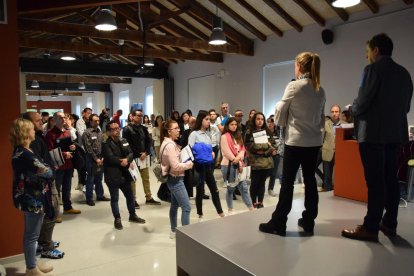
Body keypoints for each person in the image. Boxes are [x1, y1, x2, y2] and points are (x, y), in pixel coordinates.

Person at [342, 33, 413, 242]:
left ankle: (370, 227)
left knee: (375, 182)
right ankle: (390, 223)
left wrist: (351, 108)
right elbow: (406, 107)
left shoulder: (371, 70)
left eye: (367, 52)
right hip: (395, 135)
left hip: (373, 134)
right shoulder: (404, 73)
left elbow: (362, 102)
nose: (367, 57)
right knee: (391, 179)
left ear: (376, 50)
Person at [259, 51, 325, 236]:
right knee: (310, 181)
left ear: (300, 66)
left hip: (295, 142)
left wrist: (282, 122)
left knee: (287, 183)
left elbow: (280, 109)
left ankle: (279, 222)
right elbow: (321, 118)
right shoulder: (320, 89)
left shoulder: (294, 86)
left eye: (295, 65)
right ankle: (309, 220)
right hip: (314, 143)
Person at [10, 118, 55, 275]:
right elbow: (47, 172)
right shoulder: (25, 154)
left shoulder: (24, 151)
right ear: (25, 133)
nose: (34, 131)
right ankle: (31, 268)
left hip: (32, 196)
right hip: (32, 198)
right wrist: (50, 168)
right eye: (31, 129)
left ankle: (33, 263)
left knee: (33, 234)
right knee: (32, 235)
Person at [22, 112, 64, 259]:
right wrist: (50, 171)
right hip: (42, 185)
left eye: (41, 120)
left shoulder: (38, 137)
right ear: (27, 124)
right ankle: (46, 246)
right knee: (52, 212)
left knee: (51, 212)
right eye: (38, 121)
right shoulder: (28, 145)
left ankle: (44, 241)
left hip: (46, 182)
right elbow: (39, 167)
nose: (42, 123)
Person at [102, 121, 146, 230]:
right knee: (115, 199)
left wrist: (127, 159)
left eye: (118, 128)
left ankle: (132, 215)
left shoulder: (124, 140)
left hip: (125, 175)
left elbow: (131, 153)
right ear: (108, 132)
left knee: (130, 196)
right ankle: (117, 219)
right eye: (114, 129)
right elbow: (109, 157)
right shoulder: (105, 144)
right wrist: (121, 161)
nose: (117, 130)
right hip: (113, 176)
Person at [160, 120, 194, 239]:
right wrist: (189, 165)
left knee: (174, 206)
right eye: (176, 128)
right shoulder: (170, 146)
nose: (179, 130)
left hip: (174, 178)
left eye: (178, 128)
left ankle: (174, 230)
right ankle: (186, 236)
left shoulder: (169, 143)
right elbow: (175, 166)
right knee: (186, 207)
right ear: (169, 132)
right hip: (175, 179)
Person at [188, 110, 224, 220]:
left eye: (209, 119)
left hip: (208, 166)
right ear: (201, 120)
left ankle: (221, 213)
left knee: (214, 189)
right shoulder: (194, 134)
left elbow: (210, 149)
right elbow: (189, 150)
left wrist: (212, 153)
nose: (209, 121)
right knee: (200, 191)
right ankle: (200, 214)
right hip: (198, 166)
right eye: (206, 119)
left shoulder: (208, 135)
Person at [122, 109, 161, 207]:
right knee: (133, 180)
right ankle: (132, 199)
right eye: (138, 115)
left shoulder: (143, 128)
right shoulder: (127, 129)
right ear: (132, 116)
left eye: (141, 116)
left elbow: (149, 141)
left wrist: (146, 152)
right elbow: (127, 145)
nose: (140, 117)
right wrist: (139, 155)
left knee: (146, 178)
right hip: (133, 158)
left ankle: (148, 197)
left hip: (144, 158)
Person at [45, 112, 81, 215]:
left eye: (64, 117)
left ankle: (67, 207)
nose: (64, 119)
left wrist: (72, 147)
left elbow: (70, 145)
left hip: (69, 165)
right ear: (55, 120)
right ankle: (55, 212)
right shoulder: (50, 134)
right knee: (56, 190)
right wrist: (64, 154)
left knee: (67, 188)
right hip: (58, 166)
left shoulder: (67, 132)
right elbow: (50, 151)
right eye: (61, 117)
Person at [220, 118, 254, 214]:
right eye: (232, 124)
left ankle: (251, 208)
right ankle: (230, 209)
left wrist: (238, 159)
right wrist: (236, 160)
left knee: (244, 188)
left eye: (235, 124)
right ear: (227, 125)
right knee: (231, 189)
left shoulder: (239, 136)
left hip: (239, 165)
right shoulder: (224, 136)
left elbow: (243, 150)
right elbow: (226, 152)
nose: (234, 126)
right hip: (228, 166)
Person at [245, 112, 277, 208]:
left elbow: (274, 146)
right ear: (254, 120)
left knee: (262, 183)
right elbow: (250, 146)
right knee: (254, 183)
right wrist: (267, 145)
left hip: (267, 163)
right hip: (255, 162)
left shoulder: (268, 132)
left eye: (262, 119)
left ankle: (260, 202)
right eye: (258, 119)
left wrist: (264, 151)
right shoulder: (249, 132)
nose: (260, 121)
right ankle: (254, 202)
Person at [82, 114, 110, 206]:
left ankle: (100, 195)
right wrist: (96, 159)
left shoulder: (99, 132)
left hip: (100, 158)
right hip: (91, 159)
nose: (97, 122)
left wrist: (102, 158)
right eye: (95, 121)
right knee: (90, 178)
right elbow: (88, 148)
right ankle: (89, 198)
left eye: (98, 120)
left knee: (99, 178)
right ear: (90, 122)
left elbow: (103, 145)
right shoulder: (86, 133)